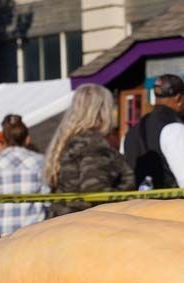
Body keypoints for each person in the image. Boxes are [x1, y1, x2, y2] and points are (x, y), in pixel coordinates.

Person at [45, 83, 136, 217]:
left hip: (63, 222)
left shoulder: (66, 141)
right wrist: (132, 200)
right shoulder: (93, 145)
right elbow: (96, 192)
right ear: (102, 111)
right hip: (87, 226)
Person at [123, 73, 184, 204]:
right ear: (179, 98)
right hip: (171, 214)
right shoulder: (175, 129)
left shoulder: (130, 132)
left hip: (137, 213)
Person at [0, 114, 48, 238]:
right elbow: (48, 199)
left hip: (1, 235)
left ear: (4, 140)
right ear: (27, 139)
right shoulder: (40, 162)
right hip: (33, 232)